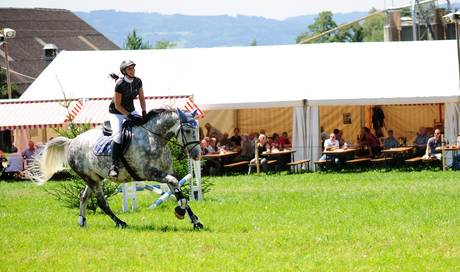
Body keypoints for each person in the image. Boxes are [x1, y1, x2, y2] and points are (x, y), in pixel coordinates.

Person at [107, 60, 147, 178]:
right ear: (124, 71)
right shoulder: (119, 84)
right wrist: (129, 116)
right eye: (130, 69)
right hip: (116, 112)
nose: (132, 70)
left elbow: (142, 98)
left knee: (143, 127)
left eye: (133, 68)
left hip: (130, 110)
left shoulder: (138, 81)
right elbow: (117, 105)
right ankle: (113, 166)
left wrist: (144, 111)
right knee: (118, 136)